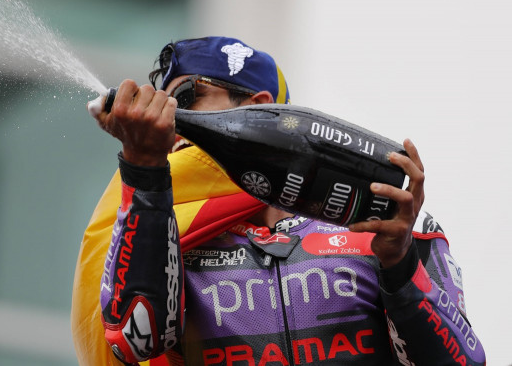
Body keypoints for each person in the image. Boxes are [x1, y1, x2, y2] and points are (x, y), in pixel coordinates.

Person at [72, 36, 486, 365]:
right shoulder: (168, 238)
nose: (166, 121)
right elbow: (134, 340)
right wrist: (144, 169)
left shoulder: (385, 224)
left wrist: (399, 264)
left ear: (258, 109)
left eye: (186, 96)